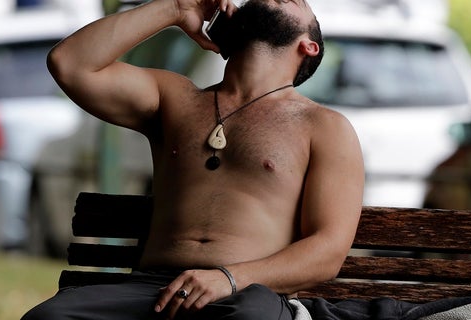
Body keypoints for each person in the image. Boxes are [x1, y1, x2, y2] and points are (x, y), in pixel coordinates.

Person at [22, 0, 364, 319]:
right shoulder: (174, 98)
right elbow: (69, 64)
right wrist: (175, 8)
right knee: (48, 317)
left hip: (246, 293)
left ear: (309, 46)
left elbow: (328, 250)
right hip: (151, 288)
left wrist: (227, 279)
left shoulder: (324, 127)